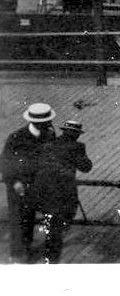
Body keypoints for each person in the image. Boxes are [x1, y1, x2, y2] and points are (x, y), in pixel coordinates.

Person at [27, 119, 91, 264]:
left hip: (42, 191)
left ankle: (34, 252)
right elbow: (86, 167)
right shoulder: (77, 146)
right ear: (76, 134)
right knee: (57, 227)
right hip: (62, 193)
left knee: (47, 222)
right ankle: (51, 260)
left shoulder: (48, 144)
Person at [2, 103, 57, 263]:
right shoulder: (16, 138)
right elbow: (5, 163)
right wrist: (15, 182)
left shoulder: (48, 135)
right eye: (47, 122)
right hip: (18, 186)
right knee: (18, 219)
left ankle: (26, 248)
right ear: (37, 122)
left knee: (30, 218)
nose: (50, 124)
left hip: (35, 185)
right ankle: (18, 256)